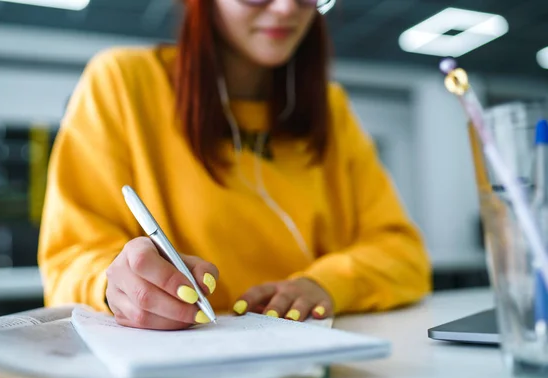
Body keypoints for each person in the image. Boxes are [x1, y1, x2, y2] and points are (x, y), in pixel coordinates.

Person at [38, 0, 431, 331]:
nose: (286, 8)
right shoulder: (123, 82)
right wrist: (118, 285)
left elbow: (403, 253)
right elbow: (67, 261)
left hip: (312, 356)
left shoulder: (331, 110)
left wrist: (325, 284)